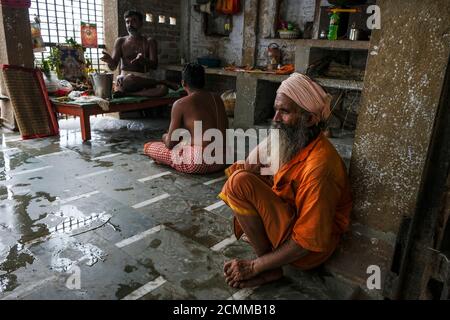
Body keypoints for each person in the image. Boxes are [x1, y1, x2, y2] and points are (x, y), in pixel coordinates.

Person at [219, 73, 352, 288]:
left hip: (305, 252)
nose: (275, 119)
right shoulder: (297, 142)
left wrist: (254, 266)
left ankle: (268, 267)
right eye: (276, 110)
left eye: (284, 112)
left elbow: (306, 243)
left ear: (309, 119)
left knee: (238, 183)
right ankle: (270, 263)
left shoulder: (320, 168)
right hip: (290, 220)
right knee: (241, 179)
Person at [143, 63, 228, 174]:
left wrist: (165, 137)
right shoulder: (217, 99)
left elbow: (170, 144)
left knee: (150, 147)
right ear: (203, 82)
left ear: (183, 83)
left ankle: (155, 152)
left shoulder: (180, 104)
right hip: (223, 159)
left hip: (200, 162)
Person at [101, 10, 177, 97]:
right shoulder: (120, 41)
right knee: (129, 79)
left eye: (134, 21)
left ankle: (129, 94)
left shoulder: (149, 41)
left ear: (141, 23)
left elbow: (154, 65)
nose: (130, 24)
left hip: (145, 80)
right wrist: (110, 61)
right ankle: (160, 81)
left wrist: (143, 60)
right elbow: (113, 67)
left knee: (163, 89)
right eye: (127, 22)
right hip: (126, 80)